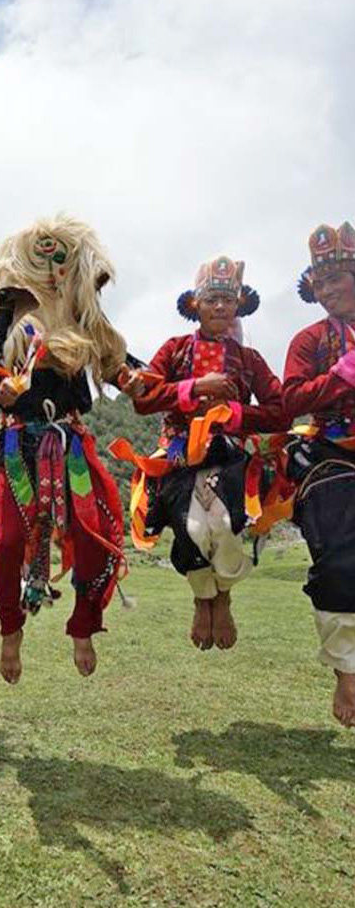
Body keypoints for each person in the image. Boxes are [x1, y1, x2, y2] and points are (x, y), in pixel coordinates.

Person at [0, 214, 142, 684]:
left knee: (94, 538)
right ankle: (10, 629)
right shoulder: (8, 310)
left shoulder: (81, 313)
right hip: (18, 442)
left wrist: (140, 382)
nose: (51, 272)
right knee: (5, 545)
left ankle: (83, 625)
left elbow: (117, 360)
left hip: (70, 442)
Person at [117, 256, 289, 652]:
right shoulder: (175, 350)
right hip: (178, 449)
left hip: (230, 451)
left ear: (237, 307)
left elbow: (280, 409)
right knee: (192, 529)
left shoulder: (249, 359)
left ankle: (223, 596)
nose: (219, 307)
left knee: (227, 524)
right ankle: (201, 598)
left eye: (227, 301)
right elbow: (145, 400)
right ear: (195, 305)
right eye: (211, 299)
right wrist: (195, 387)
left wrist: (237, 413)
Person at [283, 221, 355, 727]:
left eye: (339, 278)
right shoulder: (308, 340)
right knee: (336, 560)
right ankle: (348, 671)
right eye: (322, 283)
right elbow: (290, 399)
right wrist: (339, 375)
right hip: (332, 452)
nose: (329, 290)